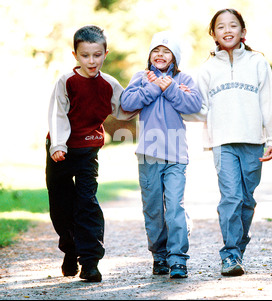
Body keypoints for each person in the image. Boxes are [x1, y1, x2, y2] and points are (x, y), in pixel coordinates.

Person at [46, 25, 137, 282]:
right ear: (75, 55)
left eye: (97, 55)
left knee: (87, 202)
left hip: (88, 148)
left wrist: (149, 95)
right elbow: (57, 115)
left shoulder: (109, 84)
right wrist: (59, 145)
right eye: (85, 55)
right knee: (61, 207)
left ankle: (90, 262)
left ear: (105, 53)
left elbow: (125, 108)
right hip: (59, 151)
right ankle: (70, 249)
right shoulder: (66, 81)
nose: (92, 61)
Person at [196, 9, 272, 276]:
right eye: (220, 26)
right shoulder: (207, 68)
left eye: (233, 25)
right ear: (213, 34)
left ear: (243, 32)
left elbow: (268, 101)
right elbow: (199, 107)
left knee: (246, 199)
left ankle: (238, 250)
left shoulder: (258, 62)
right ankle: (230, 254)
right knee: (231, 197)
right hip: (223, 142)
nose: (227, 30)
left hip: (253, 140)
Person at [121, 31, 202, 278]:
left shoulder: (184, 78)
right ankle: (159, 256)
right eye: (156, 50)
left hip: (176, 155)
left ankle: (178, 259)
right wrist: (153, 87)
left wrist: (171, 89)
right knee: (153, 208)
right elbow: (127, 102)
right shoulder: (141, 77)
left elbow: (193, 105)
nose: (160, 54)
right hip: (148, 155)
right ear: (149, 55)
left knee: (175, 208)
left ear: (175, 57)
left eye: (166, 51)